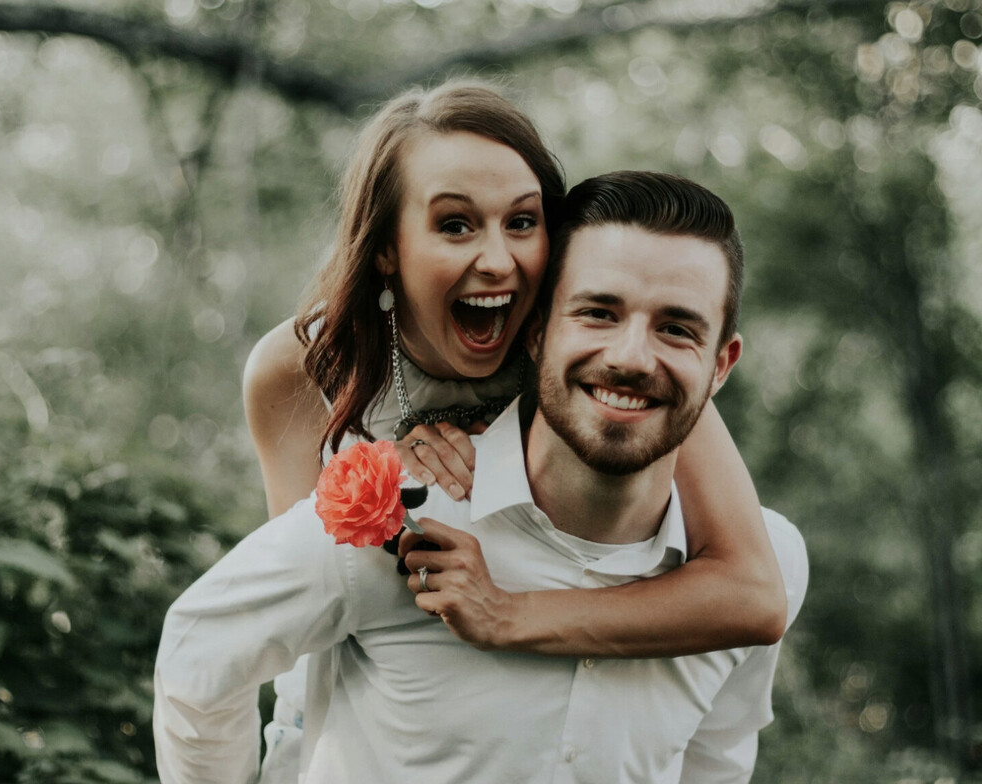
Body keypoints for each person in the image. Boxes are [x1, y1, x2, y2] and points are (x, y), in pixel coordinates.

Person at [154, 171, 808, 783]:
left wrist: (511, 614)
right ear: (534, 331)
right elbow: (199, 657)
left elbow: (714, 760)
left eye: (676, 328)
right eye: (598, 313)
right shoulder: (398, 522)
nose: (631, 357)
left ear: (722, 365)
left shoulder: (767, 561)